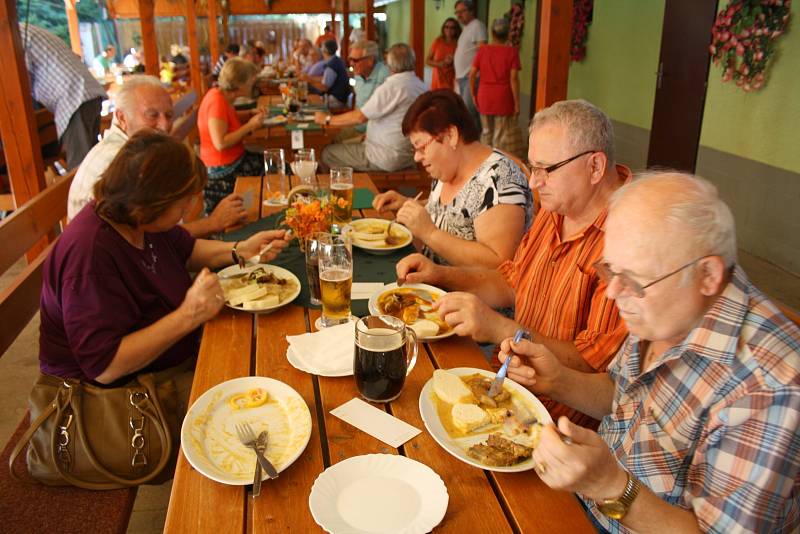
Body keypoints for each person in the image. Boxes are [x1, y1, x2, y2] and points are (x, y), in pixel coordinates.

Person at [501, 172, 800, 533]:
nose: (612, 292)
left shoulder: (769, 386)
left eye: (632, 279)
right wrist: (559, 381)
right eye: (608, 269)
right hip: (583, 501)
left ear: (707, 275)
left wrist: (610, 487)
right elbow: (622, 396)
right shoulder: (664, 305)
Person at [396, 99, 630, 428]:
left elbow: (593, 367)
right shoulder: (559, 205)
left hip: (556, 426)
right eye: (533, 168)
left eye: (546, 169)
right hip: (505, 387)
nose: (533, 183)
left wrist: (501, 329)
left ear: (594, 167)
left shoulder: (629, 238)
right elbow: (510, 281)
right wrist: (441, 275)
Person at [40, 131, 289, 387]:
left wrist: (241, 250)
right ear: (152, 201)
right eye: (184, 203)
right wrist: (189, 315)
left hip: (174, 358)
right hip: (122, 394)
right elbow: (105, 366)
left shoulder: (137, 219)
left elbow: (188, 250)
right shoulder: (89, 255)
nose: (187, 208)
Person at [69, 75, 247, 237]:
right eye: (152, 115)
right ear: (121, 117)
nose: (164, 126)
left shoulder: (136, 151)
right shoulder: (121, 162)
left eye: (169, 115)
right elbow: (156, 239)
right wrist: (212, 223)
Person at [373, 89, 532, 268]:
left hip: (463, 295)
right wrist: (407, 204)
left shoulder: (500, 179)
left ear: (451, 136)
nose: (417, 157)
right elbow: (452, 211)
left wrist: (430, 234)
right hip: (427, 281)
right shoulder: (448, 165)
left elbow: (499, 265)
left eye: (421, 147)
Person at [315, 43, 427, 172]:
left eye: (355, 60)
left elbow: (360, 117)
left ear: (389, 64)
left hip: (383, 156)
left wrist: (326, 119)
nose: (351, 63)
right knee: (337, 143)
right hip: (404, 153)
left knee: (327, 153)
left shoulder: (392, 86)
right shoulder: (420, 85)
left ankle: (354, 188)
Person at [20, 23, 107, 169]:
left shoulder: (10, 35)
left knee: (80, 168)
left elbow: (20, 82)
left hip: (74, 97)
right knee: (90, 162)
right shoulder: (24, 29)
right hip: (83, 93)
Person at [197, 58, 265, 214]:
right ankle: (257, 215)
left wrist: (249, 114)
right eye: (250, 82)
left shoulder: (221, 95)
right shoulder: (217, 101)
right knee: (275, 167)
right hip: (223, 168)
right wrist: (250, 125)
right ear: (240, 84)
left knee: (272, 161)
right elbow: (220, 143)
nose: (252, 85)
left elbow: (226, 120)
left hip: (233, 159)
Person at [470, 18, 524, 157]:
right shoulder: (512, 52)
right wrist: (517, 103)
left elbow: (472, 74)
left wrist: (473, 94)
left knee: (486, 131)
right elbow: (513, 78)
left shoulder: (483, 51)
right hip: (503, 98)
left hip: (485, 95)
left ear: (492, 34)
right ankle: (496, 164)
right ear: (507, 34)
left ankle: (483, 161)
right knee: (500, 136)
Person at [333, 39, 390, 142]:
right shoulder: (359, 74)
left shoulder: (385, 76)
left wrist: (328, 120)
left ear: (370, 60)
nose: (351, 64)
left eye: (355, 60)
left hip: (372, 134)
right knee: (326, 139)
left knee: (329, 150)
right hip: (356, 125)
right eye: (350, 59)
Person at [453, 0, 486, 130]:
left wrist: (473, 71)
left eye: (462, 11)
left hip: (471, 77)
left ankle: (475, 142)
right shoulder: (466, 28)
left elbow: (482, 51)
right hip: (463, 77)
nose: (459, 15)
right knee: (465, 112)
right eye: (457, 12)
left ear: (471, 11)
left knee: (470, 113)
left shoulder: (477, 26)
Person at [300, 39, 350, 109]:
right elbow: (324, 79)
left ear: (325, 50)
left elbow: (324, 88)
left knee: (308, 105)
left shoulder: (332, 64)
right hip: (339, 98)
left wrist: (309, 80)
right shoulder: (336, 60)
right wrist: (310, 78)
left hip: (336, 100)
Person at [427, 18, 460, 91]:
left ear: (456, 29)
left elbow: (461, 62)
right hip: (437, 80)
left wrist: (452, 61)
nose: (449, 29)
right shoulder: (438, 41)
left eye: (452, 27)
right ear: (443, 28)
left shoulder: (459, 43)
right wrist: (440, 64)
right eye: (446, 27)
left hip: (451, 80)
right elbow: (428, 60)